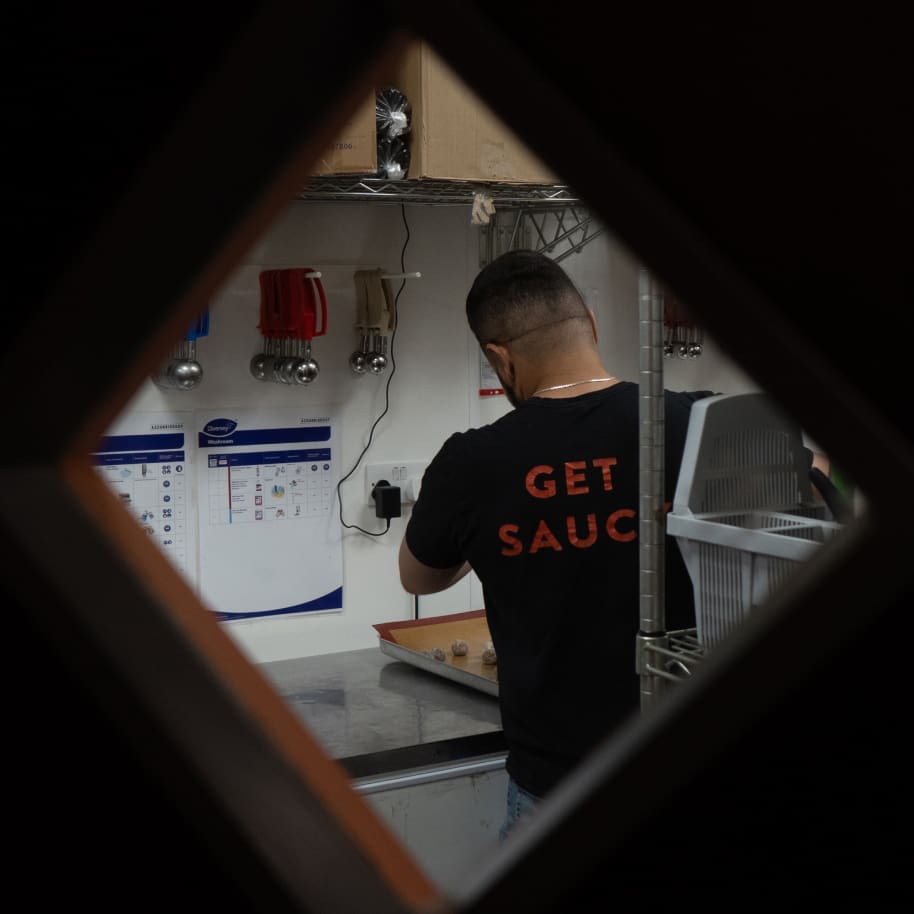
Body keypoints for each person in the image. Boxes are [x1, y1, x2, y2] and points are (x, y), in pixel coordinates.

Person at [397, 249, 717, 839]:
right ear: (591, 325)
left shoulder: (472, 462)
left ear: (499, 358)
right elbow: (812, 475)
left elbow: (419, 577)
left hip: (558, 788)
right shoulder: (697, 421)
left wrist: (498, 520)